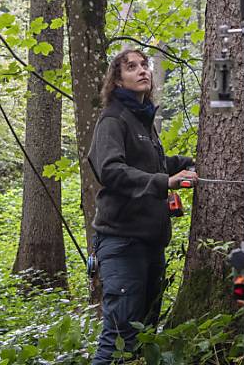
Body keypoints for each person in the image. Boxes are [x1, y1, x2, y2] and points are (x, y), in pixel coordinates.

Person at [87, 49, 198, 364]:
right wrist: (165, 182)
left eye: (144, 65)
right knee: (118, 340)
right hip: (122, 243)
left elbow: (154, 163)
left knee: (142, 337)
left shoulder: (142, 118)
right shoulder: (113, 118)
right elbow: (110, 169)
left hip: (150, 245)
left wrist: (186, 164)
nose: (142, 71)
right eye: (131, 66)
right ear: (117, 78)